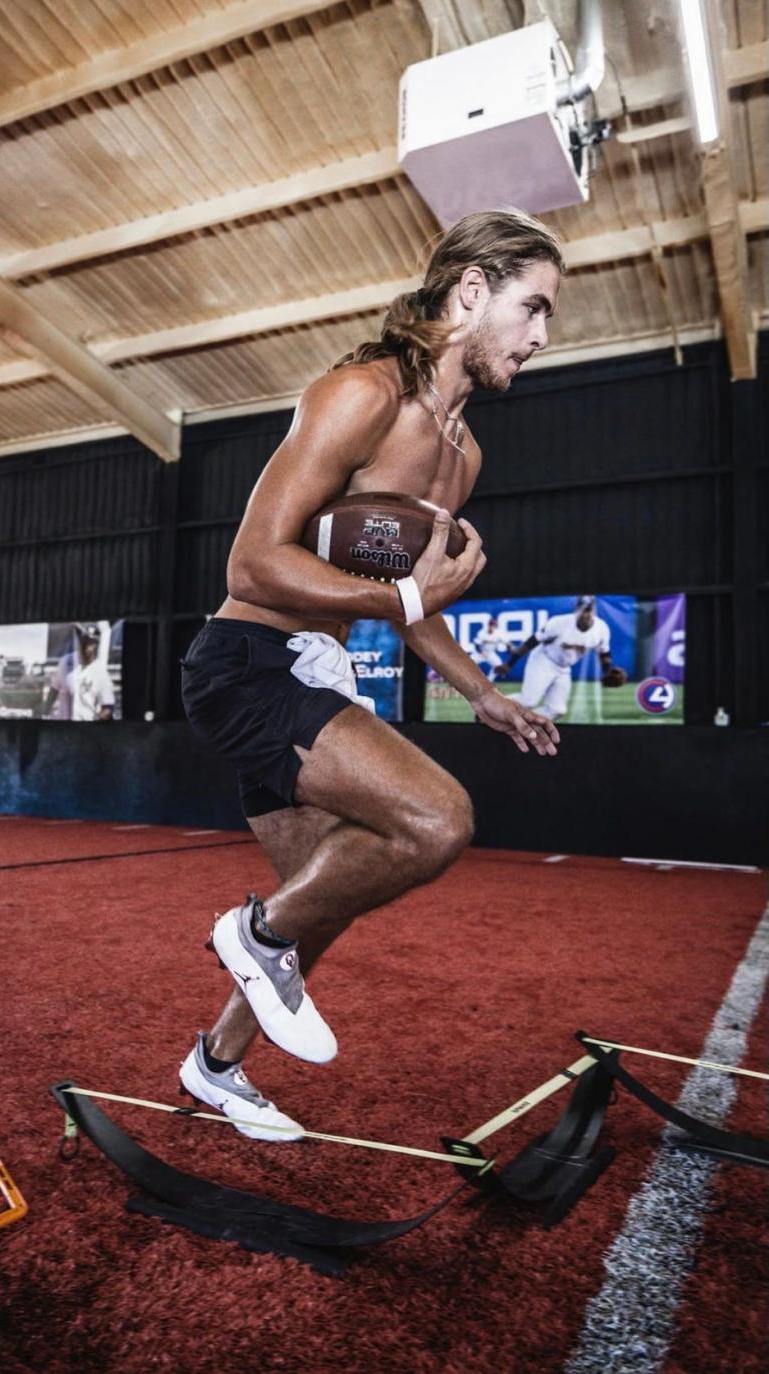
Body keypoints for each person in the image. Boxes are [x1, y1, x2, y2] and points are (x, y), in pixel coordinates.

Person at [180, 209, 564, 1141]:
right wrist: (396, 604)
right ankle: (256, 935)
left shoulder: (462, 453)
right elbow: (253, 565)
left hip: (314, 663)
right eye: (534, 308)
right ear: (472, 289)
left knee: (328, 890)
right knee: (437, 820)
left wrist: (482, 693)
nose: (543, 336)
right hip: (246, 662)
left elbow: (411, 599)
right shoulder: (359, 395)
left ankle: (214, 1066)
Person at [495, 595, 616, 720]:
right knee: (528, 701)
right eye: (583, 609)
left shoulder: (601, 629)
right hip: (544, 660)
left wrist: (607, 672)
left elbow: (604, 653)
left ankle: (522, 721)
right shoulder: (560, 623)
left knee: (557, 710)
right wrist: (510, 664)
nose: (585, 614)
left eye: (588, 609)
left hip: (563, 668)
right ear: (577, 609)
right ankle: (494, 706)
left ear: (594, 609)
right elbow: (532, 641)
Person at [47, 622, 115, 721]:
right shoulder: (65, 662)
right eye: (85, 642)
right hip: (62, 727)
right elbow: (53, 690)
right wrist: (44, 712)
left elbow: (108, 706)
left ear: (97, 646)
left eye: (92, 644)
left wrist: (99, 719)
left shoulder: (100, 671)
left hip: (84, 728)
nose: (88, 648)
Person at [470, 616, 512, 682]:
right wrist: (481, 653)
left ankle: (489, 681)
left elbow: (507, 643)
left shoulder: (498, 633)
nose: (492, 627)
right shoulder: (482, 633)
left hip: (490, 653)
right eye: (491, 625)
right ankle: (469, 680)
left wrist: (510, 648)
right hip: (479, 653)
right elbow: (477, 645)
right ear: (488, 625)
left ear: (495, 627)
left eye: (494, 625)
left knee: (498, 665)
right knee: (469, 663)